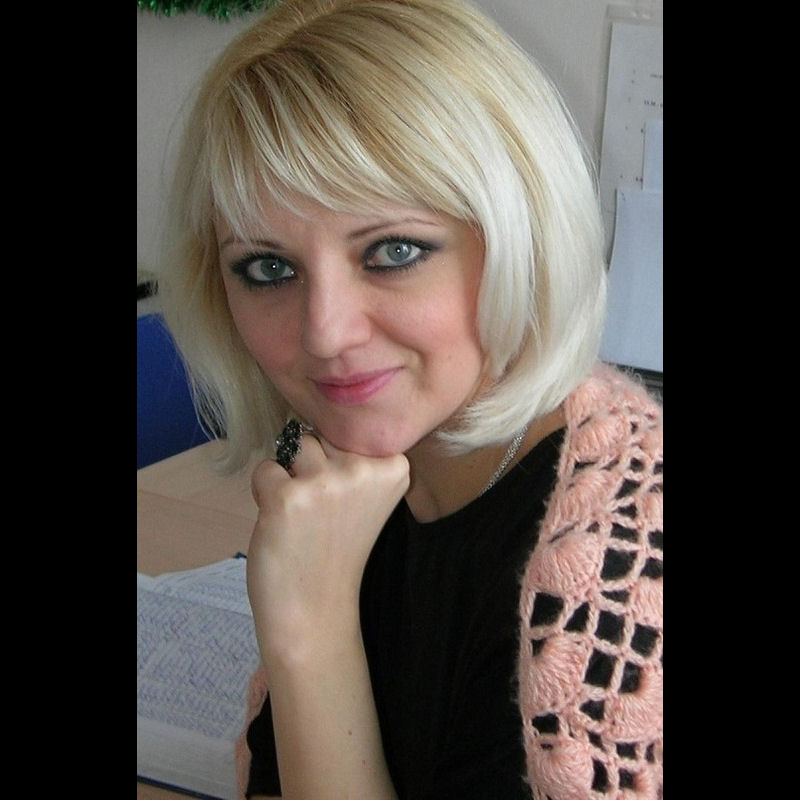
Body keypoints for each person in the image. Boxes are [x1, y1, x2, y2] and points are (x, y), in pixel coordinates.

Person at [157, 0, 663, 797]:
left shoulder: (618, 586)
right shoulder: (366, 471)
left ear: (519, 236)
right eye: (268, 268)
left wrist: (309, 625)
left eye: (394, 251)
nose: (326, 333)